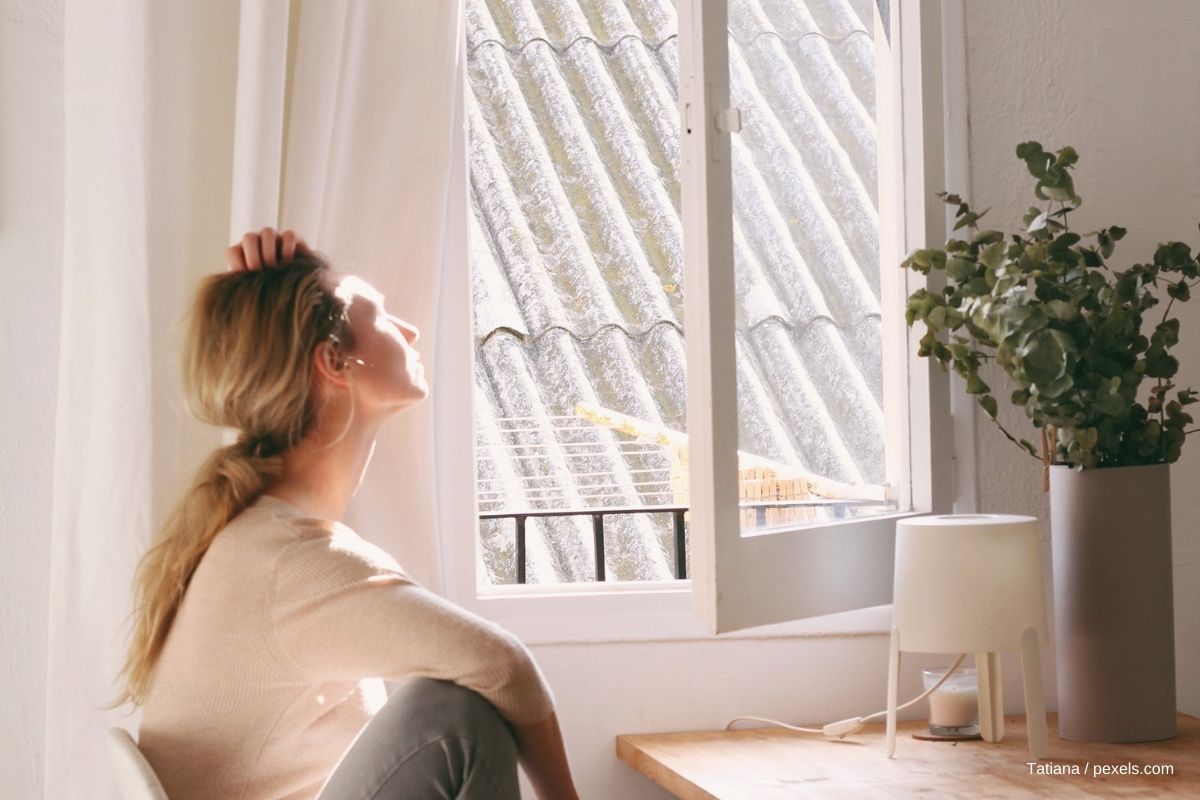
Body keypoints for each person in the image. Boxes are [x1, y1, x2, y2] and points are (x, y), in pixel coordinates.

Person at [106, 228, 580, 800]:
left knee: (449, 702)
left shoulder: (264, 539)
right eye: (382, 317)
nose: (410, 330)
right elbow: (504, 667)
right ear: (334, 361)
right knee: (455, 717)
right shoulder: (288, 562)